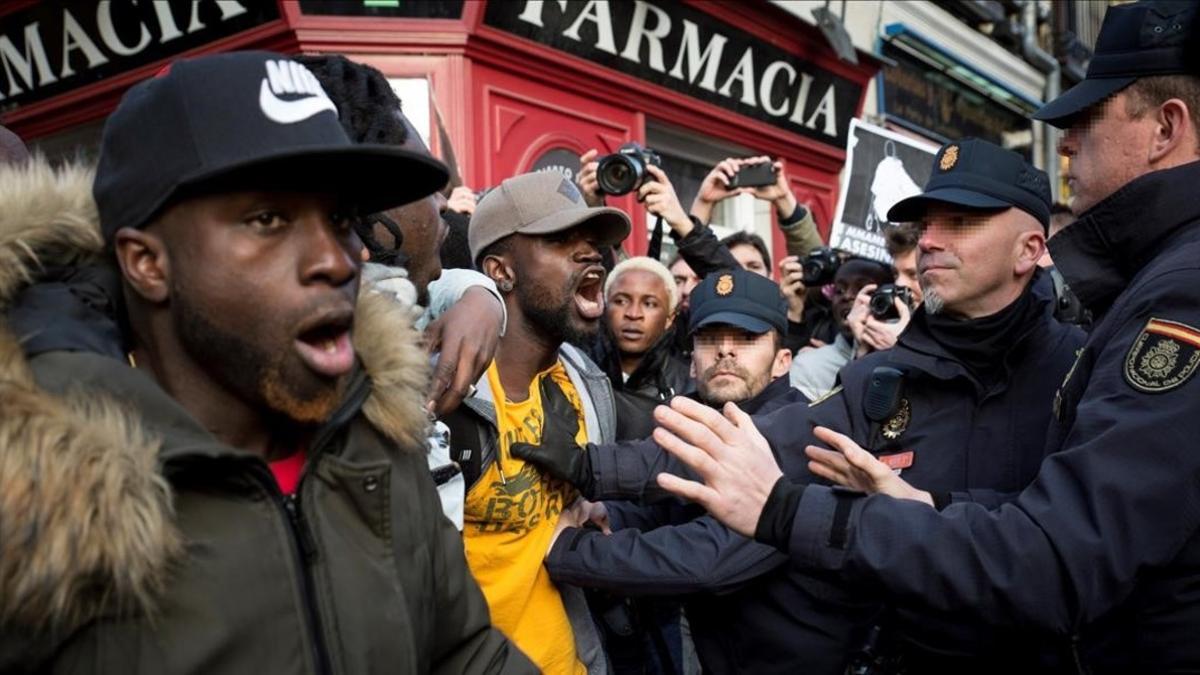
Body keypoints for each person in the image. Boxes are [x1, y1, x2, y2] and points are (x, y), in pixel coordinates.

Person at [653, 2, 1200, 670]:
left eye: (1088, 120)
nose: (1066, 143)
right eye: (925, 227)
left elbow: (1061, 554)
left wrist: (784, 509)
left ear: (1165, 128)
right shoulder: (1150, 282)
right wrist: (925, 502)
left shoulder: (1176, 292)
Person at [0, 51, 532, 673]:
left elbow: (461, 651)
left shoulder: (373, 432)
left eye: (339, 219)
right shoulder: (38, 500)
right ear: (148, 262)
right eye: (268, 219)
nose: (337, 260)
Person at [515, 268, 802, 674]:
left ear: (782, 361)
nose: (725, 351)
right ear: (691, 362)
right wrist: (609, 515)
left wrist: (569, 549)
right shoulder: (695, 419)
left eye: (747, 339)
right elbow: (672, 506)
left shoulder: (796, 432)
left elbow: (707, 557)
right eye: (709, 339)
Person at [301, 53, 507, 526]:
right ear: (370, 211)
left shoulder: (417, 306)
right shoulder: (326, 378)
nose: (442, 208)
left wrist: (480, 294)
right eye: (423, 185)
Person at [446, 170, 630, 674]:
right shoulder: (446, 396)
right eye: (560, 239)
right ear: (500, 272)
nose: (590, 253)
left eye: (592, 242)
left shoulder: (587, 386)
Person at [594, 256, 691, 441]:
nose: (633, 314)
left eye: (649, 304)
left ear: (669, 319)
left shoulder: (689, 387)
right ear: (605, 308)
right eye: (621, 301)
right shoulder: (577, 372)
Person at [788, 258, 894, 400]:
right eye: (839, 290)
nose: (847, 296)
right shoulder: (808, 366)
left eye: (864, 289)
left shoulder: (910, 358)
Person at [689, 155, 823, 258]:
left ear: (770, 274)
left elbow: (815, 271)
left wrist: (783, 199)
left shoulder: (776, 294)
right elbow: (689, 262)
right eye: (733, 265)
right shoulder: (709, 291)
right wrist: (703, 204)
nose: (746, 273)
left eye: (754, 266)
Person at [844, 224, 922, 357]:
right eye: (896, 274)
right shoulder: (887, 326)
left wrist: (904, 349)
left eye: (913, 275)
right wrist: (864, 348)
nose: (899, 283)